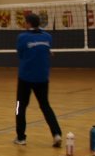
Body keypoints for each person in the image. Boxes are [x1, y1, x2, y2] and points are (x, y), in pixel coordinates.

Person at [14, 13, 62, 147]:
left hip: (26, 78)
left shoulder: (22, 37)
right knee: (45, 106)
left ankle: (20, 137)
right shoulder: (47, 37)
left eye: (25, 22)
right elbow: (45, 50)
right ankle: (56, 134)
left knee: (19, 106)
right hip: (42, 78)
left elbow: (20, 54)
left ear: (28, 23)